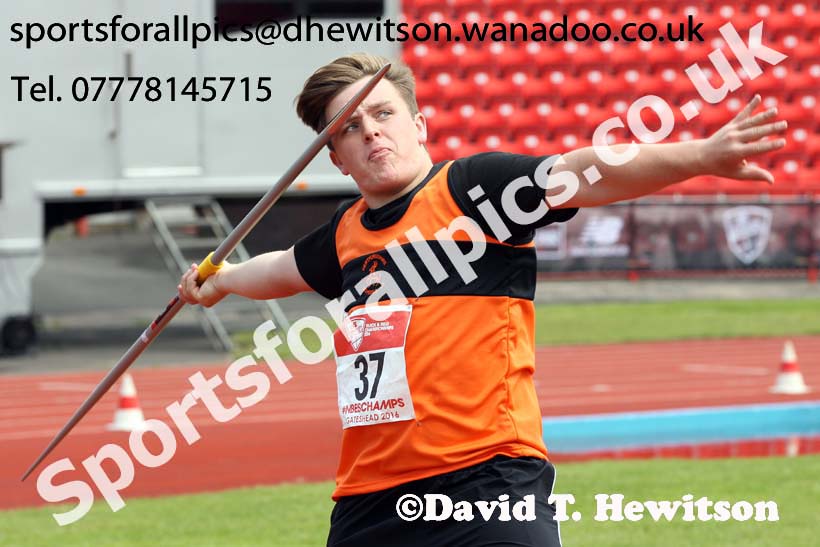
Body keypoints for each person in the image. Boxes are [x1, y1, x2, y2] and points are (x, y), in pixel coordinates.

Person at [178, 53, 786, 546]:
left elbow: (587, 170)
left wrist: (701, 157)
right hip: (369, 499)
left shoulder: (474, 190)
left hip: (488, 482)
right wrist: (221, 279)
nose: (372, 134)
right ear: (335, 156)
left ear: (418, 126)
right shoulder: (342, 236)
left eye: (383, 115)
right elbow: (281, 269)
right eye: (350, 129)